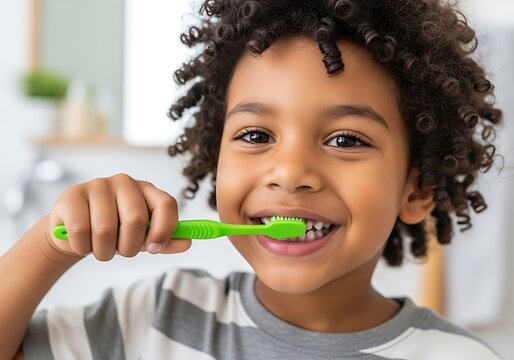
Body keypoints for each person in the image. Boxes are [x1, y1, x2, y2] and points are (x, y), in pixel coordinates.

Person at [0, 0, 504, 359]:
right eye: (257, 134)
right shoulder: (153, 317)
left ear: (416, 191)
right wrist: (49, 247)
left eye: (346, 140)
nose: (289, 172)